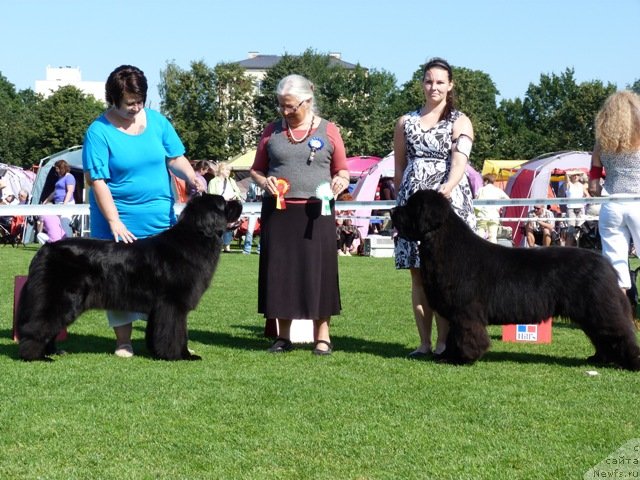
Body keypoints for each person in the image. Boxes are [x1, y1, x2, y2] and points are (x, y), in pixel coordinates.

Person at [82, 64, 203, 358]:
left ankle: (167, 340)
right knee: (118, 280)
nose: (135, 108)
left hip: (159, 218)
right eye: (128, 104)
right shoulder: (99, 131)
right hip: (118, 217)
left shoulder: (159, 123)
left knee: (164, 284)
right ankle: (123, 341)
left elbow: (176, 158)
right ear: (113, 100)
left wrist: (192, 177)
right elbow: (96, 180)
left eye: (139, 102)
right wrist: (114, 221)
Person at [250, 74, 349, 355]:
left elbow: (342, 170)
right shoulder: (271, 131)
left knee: (319, 273)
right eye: (281, 105)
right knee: (281, 274)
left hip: (317, 213)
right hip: (279, 214)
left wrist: (340, 182)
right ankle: (283, 337)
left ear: (308, 100)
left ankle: (323, 337)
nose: (285, 111)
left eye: (291, 106)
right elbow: (257, 168)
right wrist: (263, 182)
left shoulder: (330, 131)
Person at [393, 57, 476, 359]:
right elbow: (399, 167)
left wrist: (449, 187)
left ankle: (444, 342)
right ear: (422, 84)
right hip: (413, 203)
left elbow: (460, 160)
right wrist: (403, 202)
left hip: (448, 202)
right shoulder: (405, 122)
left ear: (450, 85)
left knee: (446, 275)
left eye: (440, 82)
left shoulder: (460, 121)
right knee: (418, 275)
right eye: (429, 81)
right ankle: (424, 342)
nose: (434, 87)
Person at [589, 90, 640, 292]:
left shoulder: (601, 144)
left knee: (615, 266)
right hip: (638, 202)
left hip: (611, 206)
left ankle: (620, 317)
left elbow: (593, 186)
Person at [208, 161, 242, 252]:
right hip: (218, 206)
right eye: (227, 170)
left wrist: (235, 195)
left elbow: (238, 191)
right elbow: (211, 195)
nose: (228, 172)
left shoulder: (231, 181)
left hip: (229, 206)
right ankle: (216, 245)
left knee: (229, 225)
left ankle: (227, 245)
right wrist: (222, 198)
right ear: (221, 170)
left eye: (229, 170)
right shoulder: (213, 181)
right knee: (217, 226)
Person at [42, 159, 76, 237]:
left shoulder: (69, 177)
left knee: (65, 222)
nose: (56, 170)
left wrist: (64, 205)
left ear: (62, 167)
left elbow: (70, 191)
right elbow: (54, 192)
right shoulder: (60, 178)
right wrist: (46, 201)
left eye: (57, 168)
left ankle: (68, 241)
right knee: (58, 223)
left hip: (66, 204)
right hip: (58, 203)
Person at [474, 173, 510, 244]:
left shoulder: (481, 190)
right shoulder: (498, 190)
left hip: (482, 215)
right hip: (494, 216)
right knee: (493, 237)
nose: (483, 183)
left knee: (479, 235)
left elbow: (475, 200)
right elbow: (508, 200)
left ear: (486, 181)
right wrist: (499, 207)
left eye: (483, 181)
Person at [563, 171, 590, 245]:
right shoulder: (568, 184)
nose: (575, 176)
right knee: (571, 231)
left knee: (580, 230)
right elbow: (566, 177)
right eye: (574, 175)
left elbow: (588, 196)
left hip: (581, 209)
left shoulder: (582, 186)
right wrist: (569, 173)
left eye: (577, 175)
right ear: (571, 176)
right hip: (571, 209)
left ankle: (578, 247)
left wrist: (584, 202)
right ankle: (568, 251)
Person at [242, 180, 263, 255]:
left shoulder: (265, 184)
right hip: (253, 208)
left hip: (263, 207)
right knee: (250, 229)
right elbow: (249, 197)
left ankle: (260, 249)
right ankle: (247, 249)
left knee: (263, 229)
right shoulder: (252, 185)